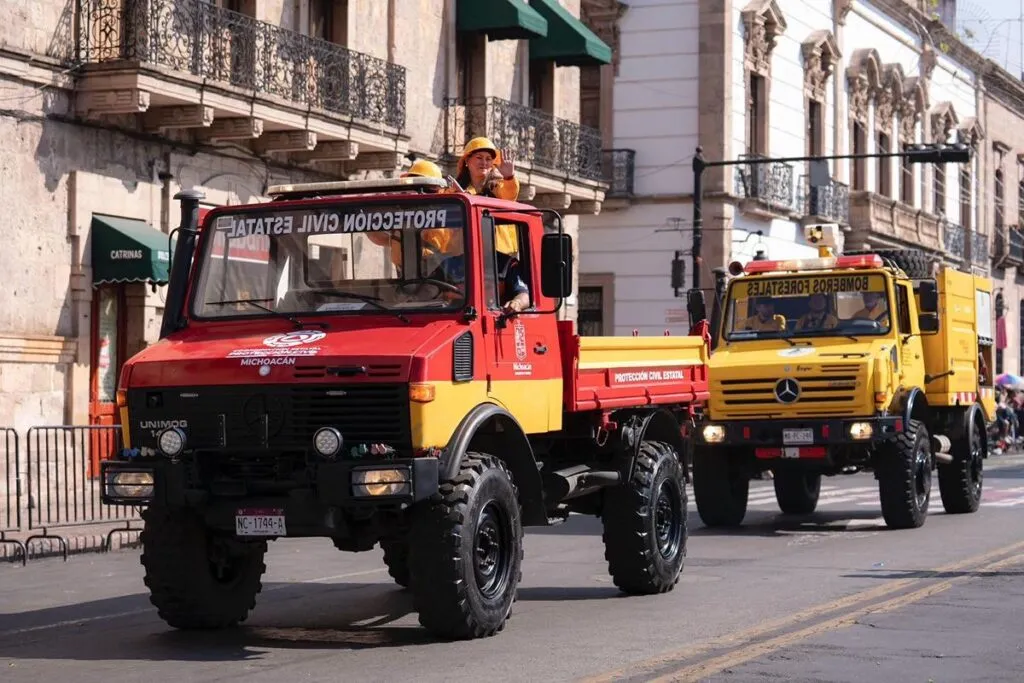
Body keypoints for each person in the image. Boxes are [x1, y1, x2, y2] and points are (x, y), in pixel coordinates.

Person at [367, 158, 457, 273]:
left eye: (420, 188)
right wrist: (369, 215)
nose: (413, 192)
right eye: (412, 187)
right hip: (406, 279)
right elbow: (378, 238)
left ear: (436, 190)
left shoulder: (448, 215)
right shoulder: (404, 217)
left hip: (439, 276)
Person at [455, 137, 520, 255]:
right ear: (467, 161)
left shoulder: (497, 186)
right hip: (465, 253)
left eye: (488, 159)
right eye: (479, 158)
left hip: (498, 255)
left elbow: (510, 195)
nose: (484, 163)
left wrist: (509, 177)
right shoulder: (455, 190)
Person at [429, 247, 531, 314]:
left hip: (495, 319)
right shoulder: (449, 264)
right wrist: (415, 297)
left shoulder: (507, 263)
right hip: (452, 317)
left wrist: (517, 303)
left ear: (492, 232)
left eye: (483, 230)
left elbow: (524, 295)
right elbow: (428, 288)